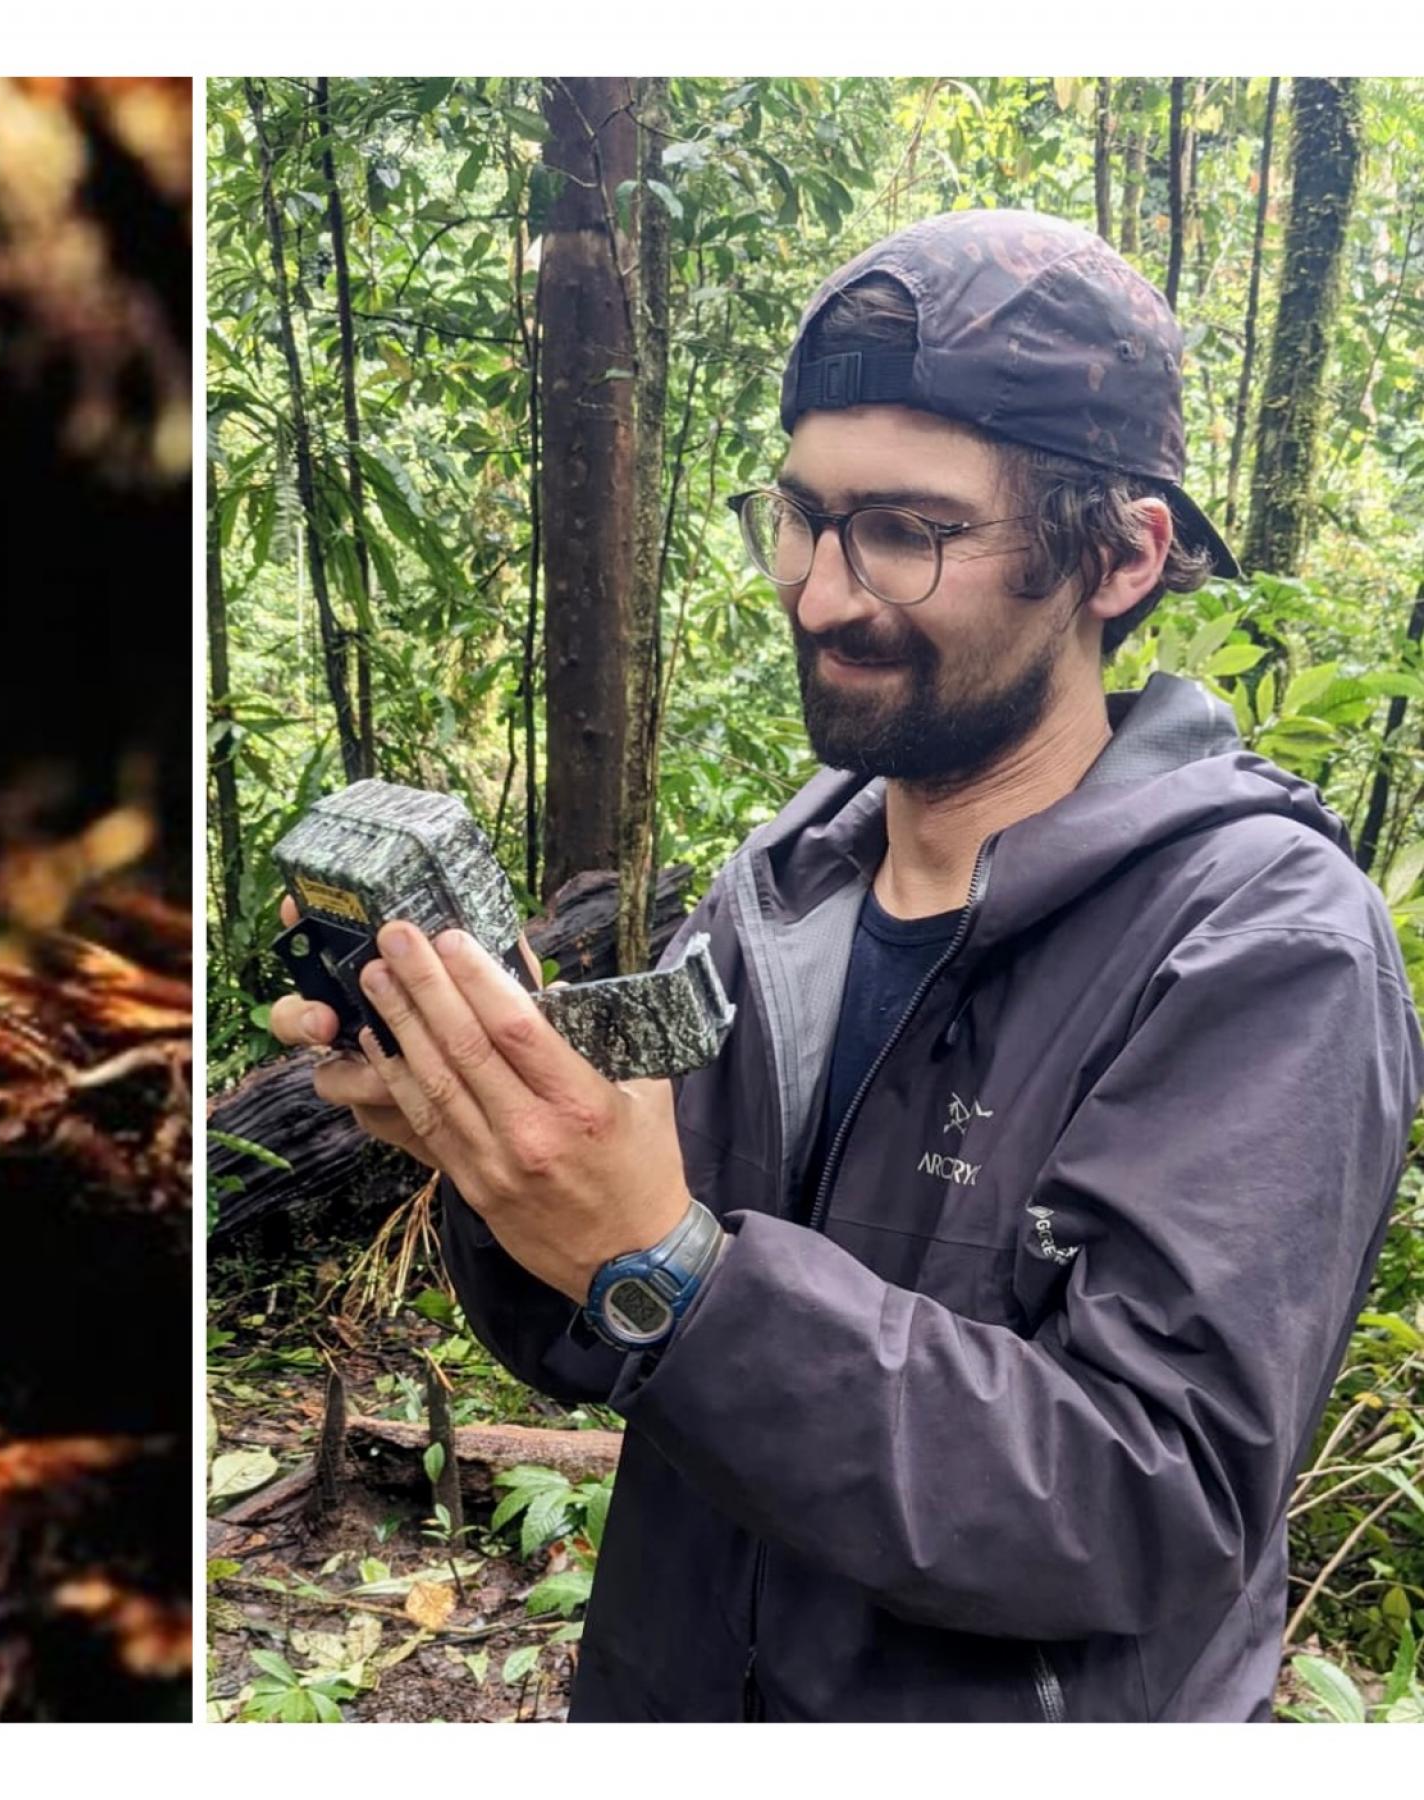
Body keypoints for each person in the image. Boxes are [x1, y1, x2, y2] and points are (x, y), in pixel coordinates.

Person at [270, 209, 1424, 1720]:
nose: (819, 593)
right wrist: (500, 1165)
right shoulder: (782, 887)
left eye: (906, 531)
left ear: (1121, 557)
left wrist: (675, 1276)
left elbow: (1156, 1501)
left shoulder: (1258, 947)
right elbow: (596, 1341)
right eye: (806, 517)